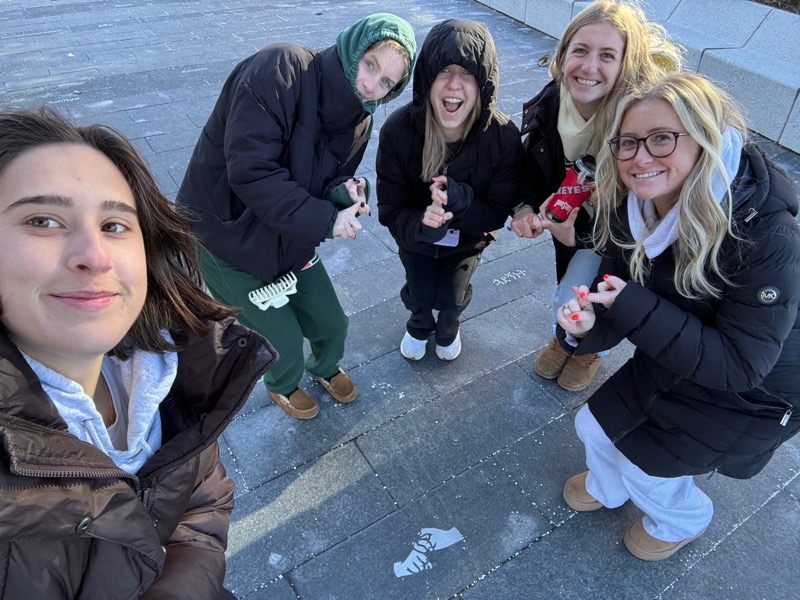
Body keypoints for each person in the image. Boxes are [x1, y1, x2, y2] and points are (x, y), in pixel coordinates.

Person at [0, 106, 277, 598]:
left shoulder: (169, 374)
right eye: (43, 220)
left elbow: (200, 506)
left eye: (114, 225)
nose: (95, 254)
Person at [558, 73, 800, 561]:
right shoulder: (633, 206)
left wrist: (630, 306)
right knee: (591, 424)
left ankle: (682, 519)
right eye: (628, 143)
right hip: (677, 350)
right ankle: (609, 487)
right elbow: (616, 296)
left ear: (706, 139)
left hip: (756, 390)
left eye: (662, 138)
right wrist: (588, 328)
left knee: (648, 466)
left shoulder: (768, 235)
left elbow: (741, 365)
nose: (640, 157)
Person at [177, 14, 416, 419]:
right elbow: (251, 171)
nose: (371, 85)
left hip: (289, 235)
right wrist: (326, 219)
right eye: (370, 64)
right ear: (353, 48)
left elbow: (329, 180)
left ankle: (325, 368)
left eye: (387, 82)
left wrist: (345, 195)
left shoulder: (360, 119)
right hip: (227, 239)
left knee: (332, 323)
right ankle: (282, 385)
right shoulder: (280, 69)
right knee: (282, 340)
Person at [510, 0, 682, 391]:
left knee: (603, 293)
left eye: (607, 55)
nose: (589, 68)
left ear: (627, 63)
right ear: (563, 53)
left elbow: (645, 211)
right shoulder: (553, 100)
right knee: (569, 289)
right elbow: (529, 164)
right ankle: (566, 338)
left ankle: (591, 349)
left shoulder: (639, 118)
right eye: (581, 50)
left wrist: (578, 237)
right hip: (577, 219)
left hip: (628, 232)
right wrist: (521, 207)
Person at [376, 19, 521, 361]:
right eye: (444, 71)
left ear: (484, 83)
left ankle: (449, 327)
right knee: (419, 289)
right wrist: (422, 225)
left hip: (467, 241)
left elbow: (498, 209)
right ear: (427, 78)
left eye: (468, 73)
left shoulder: (503, 137)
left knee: (454, 295)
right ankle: (419, 324)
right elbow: (391, 209)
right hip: (417, 240)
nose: (455, 84)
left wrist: (461, 201)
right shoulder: (398, 131)